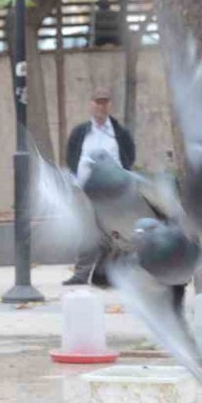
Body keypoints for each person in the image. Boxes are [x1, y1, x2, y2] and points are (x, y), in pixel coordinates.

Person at [63, 87, 135, 286]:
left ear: (110, 105)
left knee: (114, 233)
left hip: (114, 191)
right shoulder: (81, 132)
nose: (101, 107)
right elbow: (71, 155)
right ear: (91, 105)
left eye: (105, 102)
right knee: (88, 232)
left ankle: (112, 274)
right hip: (85, 190)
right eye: (97, 102)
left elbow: (129, 155)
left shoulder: (119, 133)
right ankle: (81, 274)